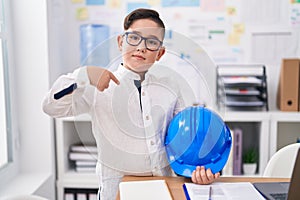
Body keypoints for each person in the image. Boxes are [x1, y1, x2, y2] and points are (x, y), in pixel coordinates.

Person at [43, 8, 220, 199]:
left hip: (163, 190)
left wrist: (199, 171)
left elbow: (184, 140)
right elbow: (50, 106)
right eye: (134, 38)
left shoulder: (170, 87)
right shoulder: (97, 86)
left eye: (151, 42)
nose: (141, 47)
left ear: (160, 53)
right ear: (121, 42)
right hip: (117, 193)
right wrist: (82, 76)